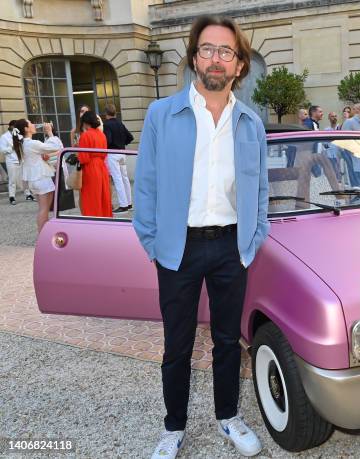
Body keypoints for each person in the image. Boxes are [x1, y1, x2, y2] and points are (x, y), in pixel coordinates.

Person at [133, 15, 269, 459]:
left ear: (239, 65)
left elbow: (261, 187)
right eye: (207, 49)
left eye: (225, 51)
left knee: (229, 341)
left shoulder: (251, 122)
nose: (216, 58)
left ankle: (228, 417)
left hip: (232, 246)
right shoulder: (161, 114)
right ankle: (173, 428)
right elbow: (146, 185)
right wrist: (152, 243)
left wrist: (253, 238)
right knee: (177, 344)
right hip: (178, 248)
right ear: (195, 58)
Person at [12, 119, 62, 232]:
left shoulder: (24, 143)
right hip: (41, 178)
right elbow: (55, 146)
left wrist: (42, 156)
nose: (34, 125)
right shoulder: (31, 143)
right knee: (44, 210)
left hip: (35, 179)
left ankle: (44, 234)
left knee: (43, 209)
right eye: (31, 123)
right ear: (26, 128)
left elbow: (36, 156)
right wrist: (49, 132)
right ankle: (42, 236)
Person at [77, 111, 112, 218]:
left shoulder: (85, 135)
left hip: (90, 167)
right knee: (103, 196)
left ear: (85, 122)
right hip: (102, 166)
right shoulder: (102, 135)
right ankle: (105, 218)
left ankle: (92, 220)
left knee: (91, 197)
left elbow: (83, 158)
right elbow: (105, 154)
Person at [103, 103, 134, 214]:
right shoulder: (120, 123)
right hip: (122, 153)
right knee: (124, 178)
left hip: (113, 154)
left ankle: (123, 205)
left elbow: (108, 140)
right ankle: (129, 203)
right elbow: (130, 137)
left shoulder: (106, 125)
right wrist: (121, 143)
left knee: (118, 179)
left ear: (106, 113)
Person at [0, 120, 34, 204]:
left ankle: (28, 194)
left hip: (21, 160)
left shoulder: (20, 135)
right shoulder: (4, 137)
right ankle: (12, 196)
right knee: (12, 180)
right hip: (11, 161)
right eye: (14, 126)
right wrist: (12, 147)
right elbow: (3, 150)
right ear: (10, 126)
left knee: (25, 178)